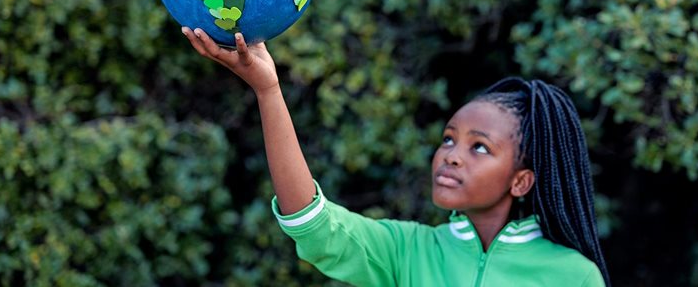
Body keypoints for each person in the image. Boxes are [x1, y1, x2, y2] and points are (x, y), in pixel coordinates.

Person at [182, 28, 610, 286]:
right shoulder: (409, 251)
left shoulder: (573, 276)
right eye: (448, 140)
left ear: (521, 180)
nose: (452, 157)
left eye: (479, 147)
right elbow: (311, 223)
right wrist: (268, 91)